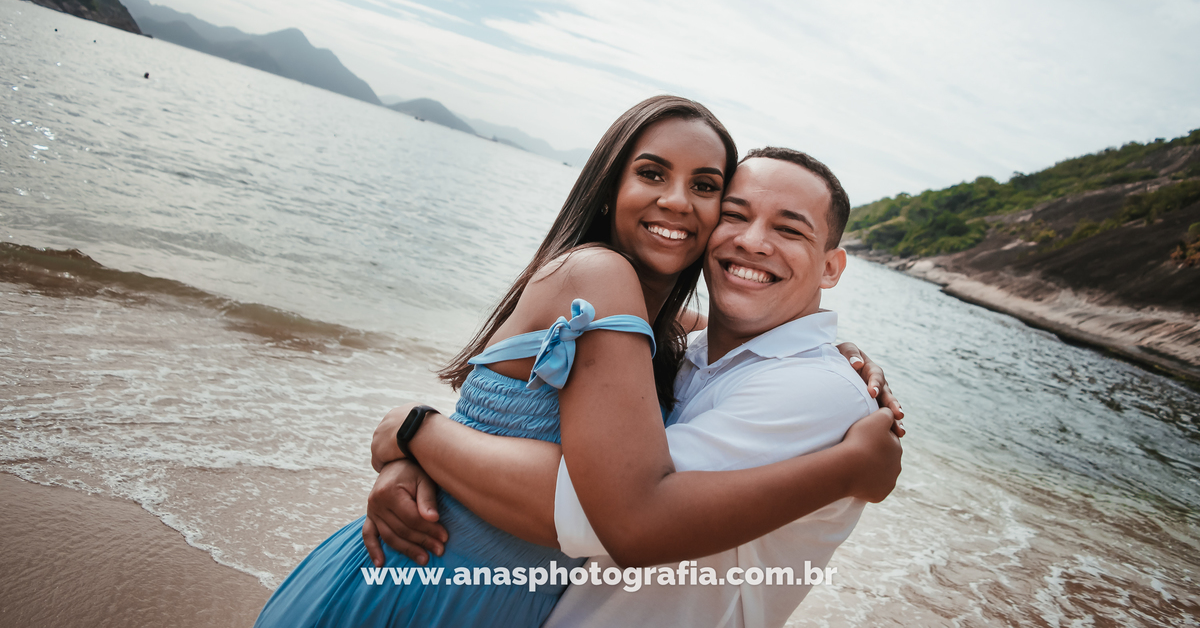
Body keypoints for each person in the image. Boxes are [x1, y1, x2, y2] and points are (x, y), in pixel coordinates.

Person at [254, 97, 901, 628]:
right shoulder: (601, 277)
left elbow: (726, 346)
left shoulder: (678, 339)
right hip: (425, 588)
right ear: (609, 188)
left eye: (705, 187)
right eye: (653, 174)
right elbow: (627, 515)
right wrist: (411, 431)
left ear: (831, 266)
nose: (680, 202)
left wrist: (830, 348)